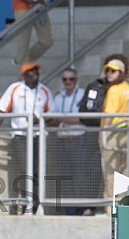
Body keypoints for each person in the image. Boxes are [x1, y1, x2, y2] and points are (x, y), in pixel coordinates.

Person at [0, 62, 53, 215]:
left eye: (36, 72)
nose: (35, 74)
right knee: (26, 170)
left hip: (38, 136)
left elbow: (53, 114)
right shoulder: (14, 88)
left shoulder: (44, 90)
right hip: (20, 136)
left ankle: (35, 206)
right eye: (30, 72)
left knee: (38, 171)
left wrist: (39, 119)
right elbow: (2, 109)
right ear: (23, 75)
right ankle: (26, 204)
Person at [51, 67, 88, 215]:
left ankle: (84, 207)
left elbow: (83, 120)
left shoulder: (82, 94)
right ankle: (70, 210)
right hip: (62, 141)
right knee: (65, 177)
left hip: (79, 140)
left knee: (81, 176)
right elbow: (51, 120)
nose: (68, 82)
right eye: (65, 79)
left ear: (76, 80)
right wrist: (68, 120)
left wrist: (62, 119)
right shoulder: (58, 97)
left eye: (71, 79)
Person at [100, 56, 129, 201]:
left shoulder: (113, 90)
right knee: (123, 170)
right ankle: (122, 201)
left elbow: (109, 114)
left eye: (113, 71)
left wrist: (103, 132)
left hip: (113, 133)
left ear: (120, 72)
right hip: (126, 132)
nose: (109, 73)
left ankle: (110, 203)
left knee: (110, 170)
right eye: (107, 70)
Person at [13, 0, 53, 66]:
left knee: (47, 41)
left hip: (39, 7)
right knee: (23, 43)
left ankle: (21, 59)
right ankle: (23, 67)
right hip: (23, 8)